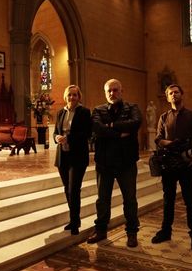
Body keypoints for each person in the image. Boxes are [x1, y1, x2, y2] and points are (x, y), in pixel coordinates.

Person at [87, 79, 142, 247]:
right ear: (105, 93)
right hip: (104, 163)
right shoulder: (98, 110)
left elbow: (135, 123)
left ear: (121, 90)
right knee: (103, 200)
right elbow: (97, 128)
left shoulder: (132, 108)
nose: (112, 93)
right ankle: (101, 230)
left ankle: (132, 232)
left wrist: (110, 126)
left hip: (126, 162)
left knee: (130, 199)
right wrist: (119, 133)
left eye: (115, 90)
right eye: (109, 91)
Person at [151, 84, 192, 251]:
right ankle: (166, 231)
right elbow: (158, 139)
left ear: (182, 94)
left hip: (186, 164)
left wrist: (187, 151)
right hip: (168, 165)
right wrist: (172, 144)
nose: (174, 95)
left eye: (176, 92)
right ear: (167, 97)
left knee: (190, 201)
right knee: (168, 200)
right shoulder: (164, 117)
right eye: (170, 93)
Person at [54, 85, 92, 235]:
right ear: (65, 96)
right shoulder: (60, 113)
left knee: (74, 189)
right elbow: (56, 131)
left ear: (79, 97)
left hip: (77, 156)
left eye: (75, 95)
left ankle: (75, 222)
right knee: (67, 189)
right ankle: (74, 219)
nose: (72, 97)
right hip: (63, 156)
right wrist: (56, 137)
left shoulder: (84, 112)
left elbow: (87, 133)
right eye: (69, 95)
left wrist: (68, 137)